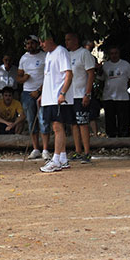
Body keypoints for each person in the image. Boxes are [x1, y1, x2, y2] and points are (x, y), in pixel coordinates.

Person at [38, 33, 73, 173]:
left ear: (50, 39)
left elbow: (69, 74)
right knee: (56, 127)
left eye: (42, 42)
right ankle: (63, 158)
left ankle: (56, 159)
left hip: (57, 97)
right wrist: (43, 94)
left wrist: (63, 93)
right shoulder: (48, 55)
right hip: (49, 98)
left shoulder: (61, 52)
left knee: (58, 127)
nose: (41, 45)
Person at [17, 35, 50, 160]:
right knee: (31, 121)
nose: (30, 46)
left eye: (32, 43)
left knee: (43, 120)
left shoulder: (44, 56)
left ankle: (45, 149)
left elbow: (49, 75)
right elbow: (18, 77)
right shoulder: (24, 58)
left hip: (42, 92)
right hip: (27, 93)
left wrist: (39, 90)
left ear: (37, 44)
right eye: (28, 43)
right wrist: (23, 79)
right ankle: (36, 148)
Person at [65, 32, 95, 163]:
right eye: (65, 40)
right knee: (73, 124)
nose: (66, 42)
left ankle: (87, 152)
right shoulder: (66, 55)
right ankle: (78, 151)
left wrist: (87, 93)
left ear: (76, 40)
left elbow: (91, 74)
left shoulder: (84, 53)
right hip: (70, 95)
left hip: (80, 94)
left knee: (83, 123)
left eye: (69, 40)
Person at [98, 45, 130, 137]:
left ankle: (123, 136)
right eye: (112, 53)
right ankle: (111, 136)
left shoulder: (125, 64)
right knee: (110, 118)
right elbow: (101, 79)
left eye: (116, 53)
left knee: (123, 119)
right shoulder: (105, 65)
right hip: (108, 96)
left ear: (119, 54)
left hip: (122, 97)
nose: (114, 55)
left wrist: (124, 87)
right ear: (109, 55)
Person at [83, 39, 102, 136]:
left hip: (90, 87)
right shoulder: (80, 56)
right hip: (80, 87)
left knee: (92, 113)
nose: (89, 50)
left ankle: (95, 134)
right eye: (88, 47)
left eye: (91, 48)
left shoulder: (92, 58)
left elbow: (95, 74)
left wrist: (98, 68)